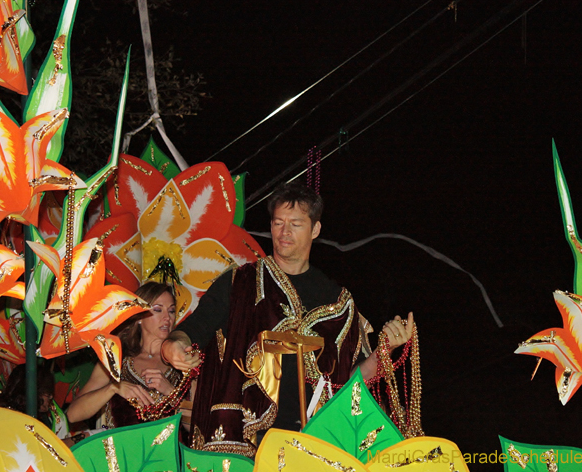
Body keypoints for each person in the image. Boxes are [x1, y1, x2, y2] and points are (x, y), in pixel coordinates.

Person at [162, 182, 413, 456]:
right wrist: (172, 346)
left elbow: (351, 380)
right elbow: (192, 329)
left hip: (313, 442)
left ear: (315, 230)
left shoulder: (338, 300)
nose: (285, 232)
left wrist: (386, 349)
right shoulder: (239, 283)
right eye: (278, 222)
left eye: (296, 223)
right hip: (245, 439)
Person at [67, 282, 185, 429]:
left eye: (171, 311)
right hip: (122, 450)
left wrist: (171, 393)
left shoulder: (184, 362)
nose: (167, 317)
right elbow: (73, 414)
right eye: (158, 310)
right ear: (139, 317)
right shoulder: (115, 359)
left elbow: (198, 426)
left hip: (169, 451)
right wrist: (114, 388)